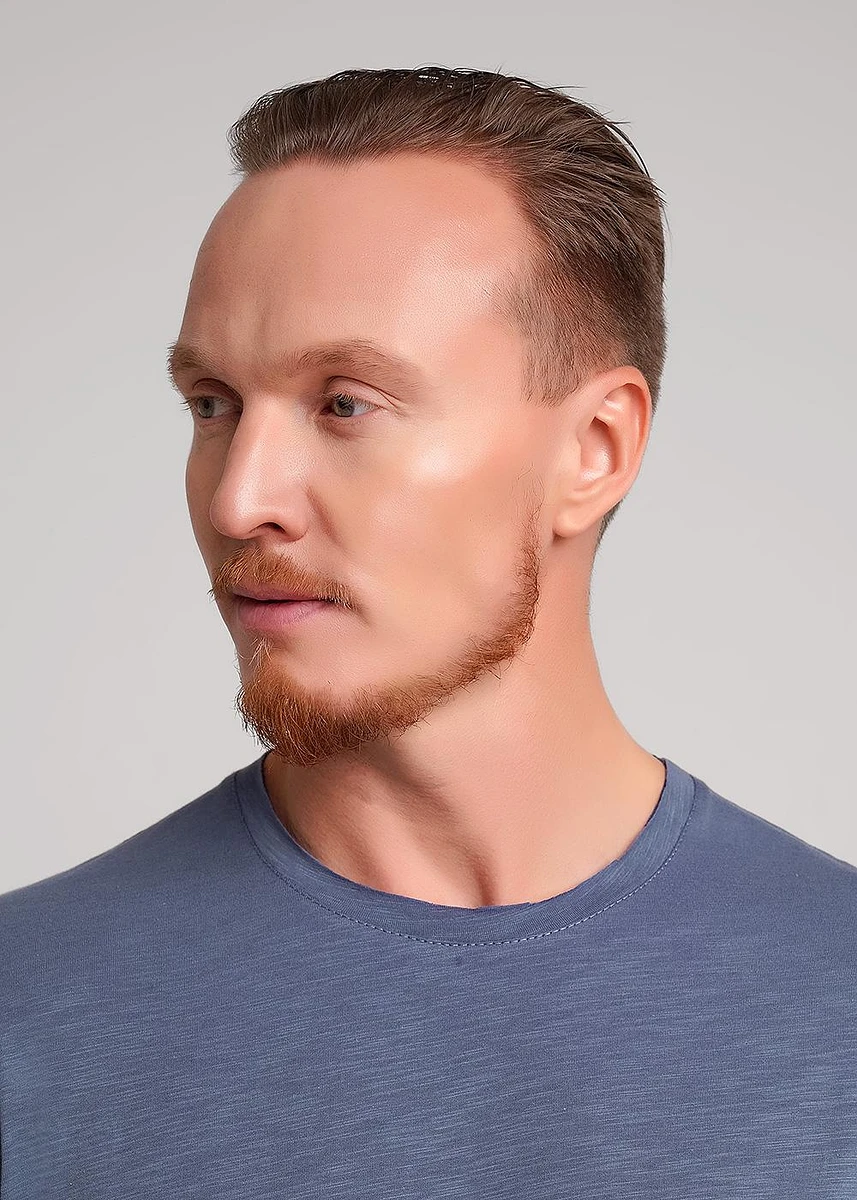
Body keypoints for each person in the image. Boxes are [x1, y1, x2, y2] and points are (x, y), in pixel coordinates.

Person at [1, 66, 854, 1199]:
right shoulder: (26, 1014)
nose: (238, 500)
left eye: (344, 403)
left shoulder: (834, 1003)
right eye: (212, 404)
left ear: (593, 450)